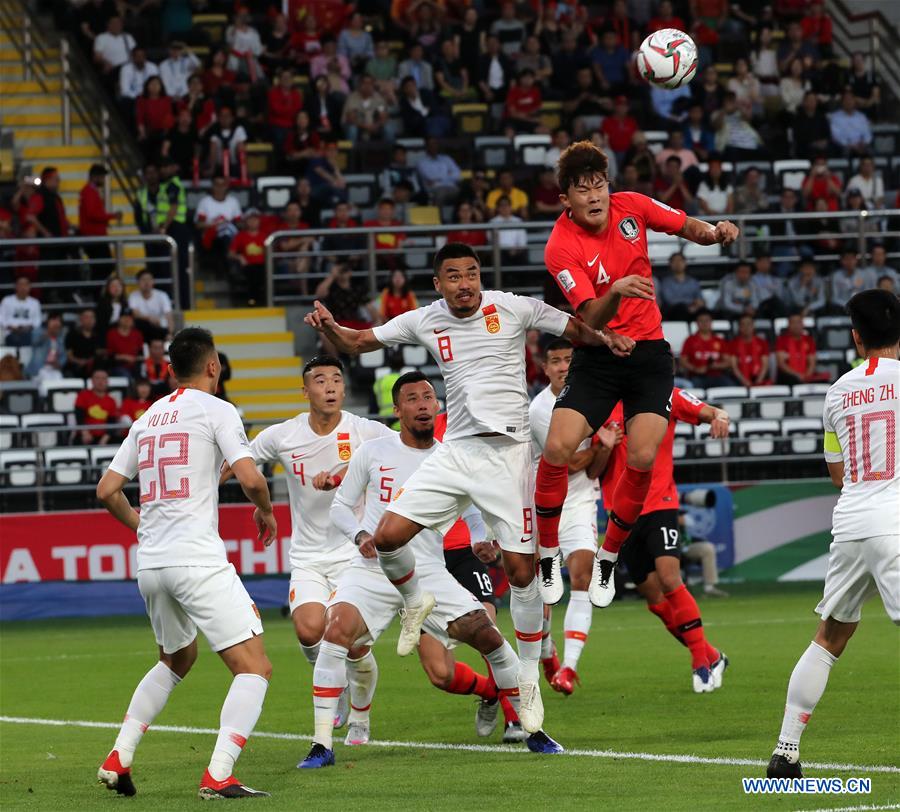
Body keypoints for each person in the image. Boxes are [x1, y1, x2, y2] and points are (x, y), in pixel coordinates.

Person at [304, 242, 620, 736]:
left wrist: (609, 339)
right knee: (386, 537)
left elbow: (575, 328)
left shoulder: (512, 307)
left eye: (471, 274)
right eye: (453, 276)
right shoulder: (427, 319)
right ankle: (414, 601)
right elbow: (358, 340)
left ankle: (529, 691)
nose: (464, 284)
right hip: (455, 455)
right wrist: (330, 328)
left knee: (521, 574)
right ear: (438, 283)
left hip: (509, 457)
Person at [299, 372, 551, 768]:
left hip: (430, 572)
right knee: (336, 632)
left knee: (489, 638)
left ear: (437, 407)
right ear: (397, 410)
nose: (421, 404)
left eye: (427, 397)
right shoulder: (372, 451)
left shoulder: (452, 457)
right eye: (411, 399)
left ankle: (531, 729)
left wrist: (480, 538)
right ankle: (321, 745)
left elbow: (472, 511)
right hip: (371, 571)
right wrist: (361, 536)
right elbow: (340, 507)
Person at [536, 141, 739, 609]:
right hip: (600, 356)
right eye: (582, 189)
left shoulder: (634, 207)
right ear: (565, 198)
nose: (595, 195)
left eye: (599, 185)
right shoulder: (560, 246)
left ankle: (609, 555)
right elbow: (588, 314)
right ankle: (549, 552)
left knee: (643, 457)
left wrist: (714, 232)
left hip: (649, 355)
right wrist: (619, 290)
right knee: (558, 446)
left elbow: (685, 224)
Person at [95, 327, 276, 799]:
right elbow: (251, 477)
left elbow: (106, 490)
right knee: (254, 667)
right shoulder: (218, 409)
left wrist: (144, 527)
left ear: (170, 368)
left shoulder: (149, 416)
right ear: (213, 365)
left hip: (151, 563)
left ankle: (120, 754)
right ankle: (219, 773)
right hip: (196, 559)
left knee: (178, 657)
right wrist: (267, 508)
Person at [224, 356, 392, 742]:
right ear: (305, 391)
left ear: (344, 389)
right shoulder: (284, 434)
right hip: (308, 556)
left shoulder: (366, 431)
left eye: (337, 379)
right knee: (308, 630)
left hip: (354, 553)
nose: (330, 387)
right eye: (320, 381)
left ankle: (361, 720)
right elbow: (240, 461)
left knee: (348, 644)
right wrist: (203, 486)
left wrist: (346, 475)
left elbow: (404, 452)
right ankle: (339, 691)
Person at [766, 290, 899, 779]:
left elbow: (838, 472)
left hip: (851, 523)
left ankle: (786, 750)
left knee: (830, 636)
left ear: (856, 337)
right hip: (896, 521)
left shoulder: (838, 391)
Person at [596, 388, 731, 692]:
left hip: (661, 504)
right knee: (656, 602)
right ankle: (712, 656)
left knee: (671, 578)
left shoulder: (667, 395)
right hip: (620, 513)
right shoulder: (603, 404)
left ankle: (700, 666)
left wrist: (720, 415)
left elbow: (707, 411)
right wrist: (603, 448)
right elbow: (593, 468)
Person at [529, 339, 619, 695]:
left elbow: (593, 471)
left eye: (569, 359)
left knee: (584, 573)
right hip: (546, 506)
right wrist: (599, 444)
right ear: (545, 367)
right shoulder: (540, 409)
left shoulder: (591, 398)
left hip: (580, 502)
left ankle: (568, 668)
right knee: (539, 595)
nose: (563, 366)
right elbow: (563, 462)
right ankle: (548, 650)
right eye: (556, 361)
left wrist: (604, 450)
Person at [79, 164, 121, 277]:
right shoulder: (89, 192)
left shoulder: (90, 191)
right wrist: (112, 216)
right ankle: (91, 292)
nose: (103, 180)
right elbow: (92, 214)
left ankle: (93, 292)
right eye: (102, 177)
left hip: (95, 236)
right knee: (103, 268)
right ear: (95, 177)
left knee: (102, 267)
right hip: (94, 237)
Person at [679, 310, 735, 388]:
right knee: (694, 387)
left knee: (731, 386)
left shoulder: (719, 340)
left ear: (711, 322)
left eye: (707, 320)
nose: (704, 323)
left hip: (717, 376)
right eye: (701, 320)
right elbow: (683, 361)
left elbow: (728, 362)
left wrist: (717, 366)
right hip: (697, 377)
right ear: (697, 323)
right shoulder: (690, 340)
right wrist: (696, 369)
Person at [195, 175, 242, 265]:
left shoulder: (233, 201)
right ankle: (229, 265)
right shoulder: (205, 202)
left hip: (230, 235)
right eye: (217, 185)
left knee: (228, 232)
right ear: (212, 186)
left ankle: (229, 265)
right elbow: (199, 224)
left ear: (227, 186)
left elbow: (239, 223)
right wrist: (217, 224)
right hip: (211, 235)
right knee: (225, 235)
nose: (220, 188)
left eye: (223, 185)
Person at [775, 312, 830, 385]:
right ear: (789, 325)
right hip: (789, 376)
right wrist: (797, 375)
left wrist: (807, 376)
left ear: (802, 324)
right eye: (793, 323)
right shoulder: (781, 340)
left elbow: (812, 362)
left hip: (805, 375)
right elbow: (781, 363)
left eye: (798, 322)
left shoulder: (809, 340)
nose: (796, 325)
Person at [75, 368, 119, 445]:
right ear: (92, 380)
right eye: (97, 378)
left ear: (107, 381)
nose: (100, 381)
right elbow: (79, 417)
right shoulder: (83, 395)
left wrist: (105, 439)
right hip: (85, 434)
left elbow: (112, 422)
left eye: (103, 378)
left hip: (104, 436)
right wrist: (85, 433)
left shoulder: (111, 400)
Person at [128, 269, 173, 341]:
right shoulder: (133, 296)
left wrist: (170, 333)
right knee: (137, 323)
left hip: (159, 328)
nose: (146, 282)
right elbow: (135, 314)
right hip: (142, 329)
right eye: (143, 280)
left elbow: (169, 316)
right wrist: (150, 318)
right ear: (138, 282)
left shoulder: (162, 295)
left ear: (153, 281)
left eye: (149, 279)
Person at [728, 313, 771, 387]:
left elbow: (765, 365)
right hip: (740, 381)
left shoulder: (762, 343)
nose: (746, 327)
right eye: (743, 325)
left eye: (749, 324)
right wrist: (745, 382)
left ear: (753, 326)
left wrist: (758, 381)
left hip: (759, 378)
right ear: (739, 327)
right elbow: (734, 367)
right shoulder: (733, 344)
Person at [416, 137, 462, 207]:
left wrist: (439, 179)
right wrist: (448, 174)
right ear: (426, 147)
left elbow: (458, 174)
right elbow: (430, 177)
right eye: (431, 144)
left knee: (464, 193)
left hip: (452, 187)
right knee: (441, 193)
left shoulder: (447, 159)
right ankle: (438, 216)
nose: (433, 146)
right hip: (435, 189)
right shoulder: (422, 162)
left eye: (435, 144)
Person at [0, 275, 41, 347]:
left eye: (25, 284)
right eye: (20, 284)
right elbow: (1, 318)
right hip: (10, 332)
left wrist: (28, 328)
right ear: (16, 286)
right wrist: (10, 327)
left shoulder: (35, 302)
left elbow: (37, 321)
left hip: (28, 332)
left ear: (29, 287)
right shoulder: (6, 300)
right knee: (14, 338)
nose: (23, 287)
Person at [828, 89, 872, 156]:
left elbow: (867, 134)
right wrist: (850, 145)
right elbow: (836, 136)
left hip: (862, 146)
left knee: (871, 152)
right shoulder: (835, 117)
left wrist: (864, 143)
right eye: (846, 99)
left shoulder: (861, 117)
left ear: (854, 101)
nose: (848, 102)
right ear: (842, 102)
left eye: (851, 99)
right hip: (844, 147)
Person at [25, 312, 66, 383]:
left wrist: (59, 363)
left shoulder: (61, 336)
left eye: (59, 321)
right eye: (54, 320)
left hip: (54, 369)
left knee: (59, 380)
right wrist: (49, 332)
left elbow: (63, 355)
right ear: (48, 321)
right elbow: (35, 342)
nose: (56, 323)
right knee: (46, 381)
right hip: (40, 368)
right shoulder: (38, 331)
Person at [106, 309, 144, 377]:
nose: (127, 319)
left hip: (135, 366)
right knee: (125, 374)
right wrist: (123, 357)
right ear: (119, 319)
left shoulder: (137, 334)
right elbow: (109, 355)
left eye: (129, 317)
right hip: (117, 366)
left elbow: (141, 353)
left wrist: (135, 359)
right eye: (124, 317)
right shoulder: (111, 333)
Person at [64, 308, 101, 377]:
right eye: (87, 317)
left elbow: (98, 353)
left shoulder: (98, 335)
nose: (90, 320)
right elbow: (69, 356)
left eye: (92, 317)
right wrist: (80, 361)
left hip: (92, 366)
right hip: (75, 365)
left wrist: (89, 361)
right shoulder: (72, 334)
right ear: (81, 319)